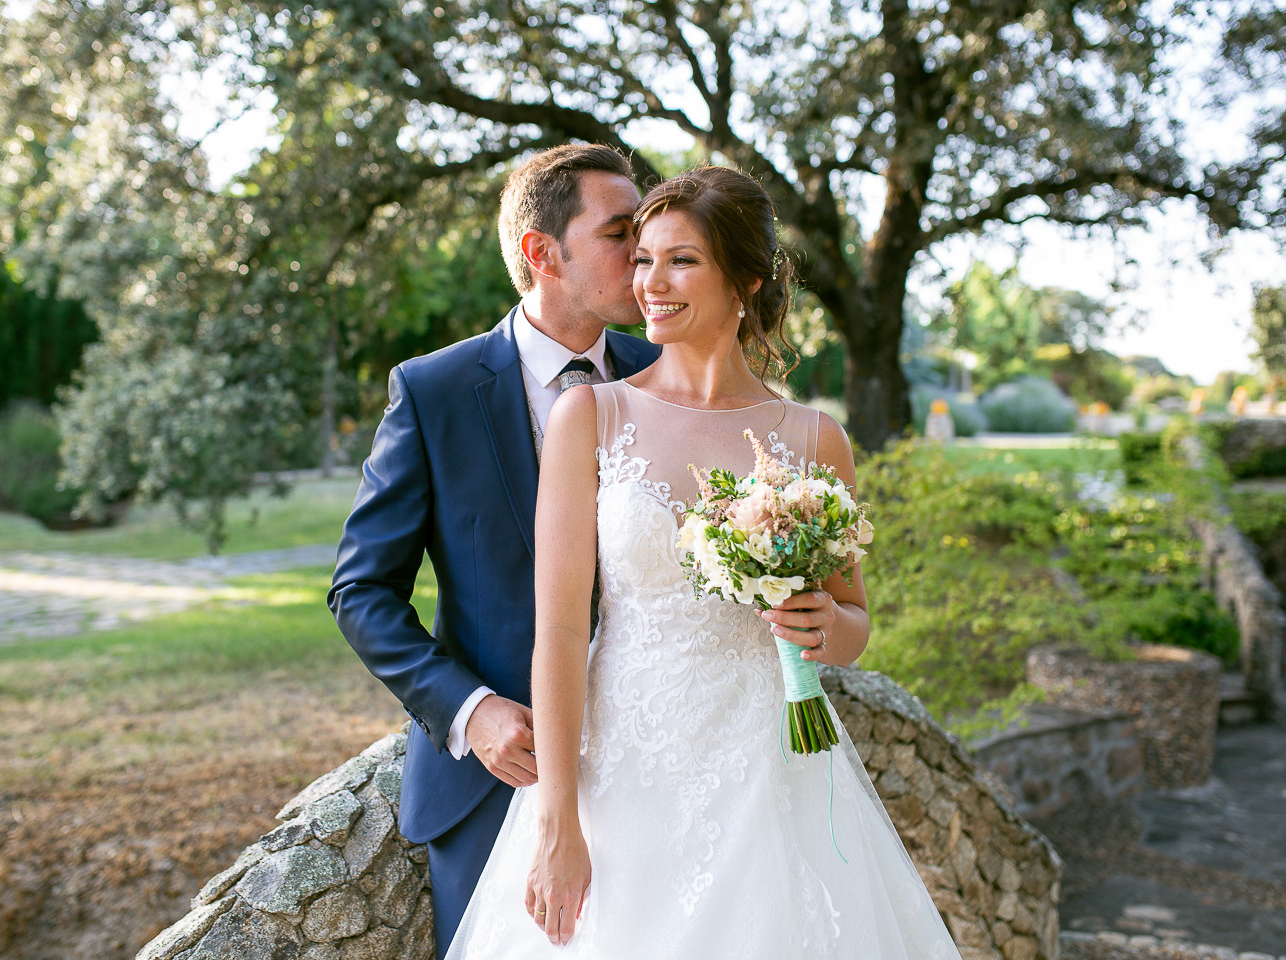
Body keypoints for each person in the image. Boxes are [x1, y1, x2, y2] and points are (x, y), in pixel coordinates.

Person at [444, 167, 962, 958]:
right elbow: (555, 631)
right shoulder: (593, 413)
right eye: (642, 257)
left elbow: (855, 625)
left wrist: (828, 626)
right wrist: (559, 820)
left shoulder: (815, 438)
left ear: (746, 279)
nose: (649, 281)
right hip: (622, 772)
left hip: (771, 770)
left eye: (680, 261)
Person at [328, 143, 661, 958]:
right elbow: (362, 591)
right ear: (542, 253)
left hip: (661, 761)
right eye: (621, 232)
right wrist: (469, 713)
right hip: (496, 781)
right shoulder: (433, 391)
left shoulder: (666, 377)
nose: (644, 254)